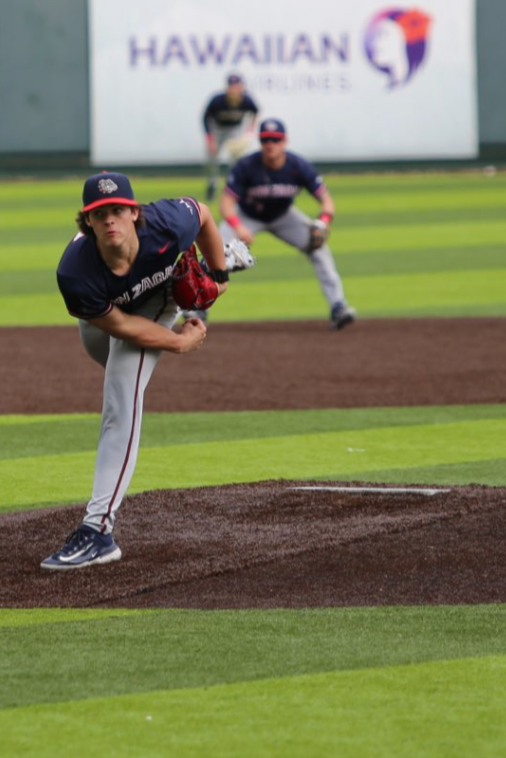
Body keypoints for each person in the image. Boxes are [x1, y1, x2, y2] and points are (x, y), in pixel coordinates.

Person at [42, 172, 230, 570]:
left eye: (117, 210)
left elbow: (203, 213)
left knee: (120, 399)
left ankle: (97, 530)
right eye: (99, 214)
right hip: (108, 313)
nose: (110, 219)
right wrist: (178, 342)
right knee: (112, 367)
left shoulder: (165, 224)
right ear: (87, 222)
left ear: (133, 212)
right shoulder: (74, 273)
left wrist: (220, 274)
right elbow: (122, 327)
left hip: (157, 303)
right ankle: (128, 396)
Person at [219, 117, 357, 330]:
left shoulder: (298, 166)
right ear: (260, 142)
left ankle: (338, 306)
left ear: (285, 141)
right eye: (265, 140)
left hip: (284, 216)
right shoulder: (247, 165)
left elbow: (327, 201)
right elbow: (226, 203)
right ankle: (196, 310)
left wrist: (323, 221)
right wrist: (238, 227)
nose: (270, 144)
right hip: (247, 216)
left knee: (318, 248)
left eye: (276, 139)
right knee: (217, 251)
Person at [202, 73, 259, 202]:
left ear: (241, 87)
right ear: (227, 87)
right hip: (218, 129)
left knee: (237, 159)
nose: (234, 89)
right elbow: (205, 117)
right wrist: (210, 138)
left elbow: (255, 111)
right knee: (212, 159)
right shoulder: (218, 100)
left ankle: (233, 186)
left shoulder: (246, 100)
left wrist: (250, 128)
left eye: (237, 86)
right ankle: (212, 185)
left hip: (235, 129)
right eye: (232, 86)